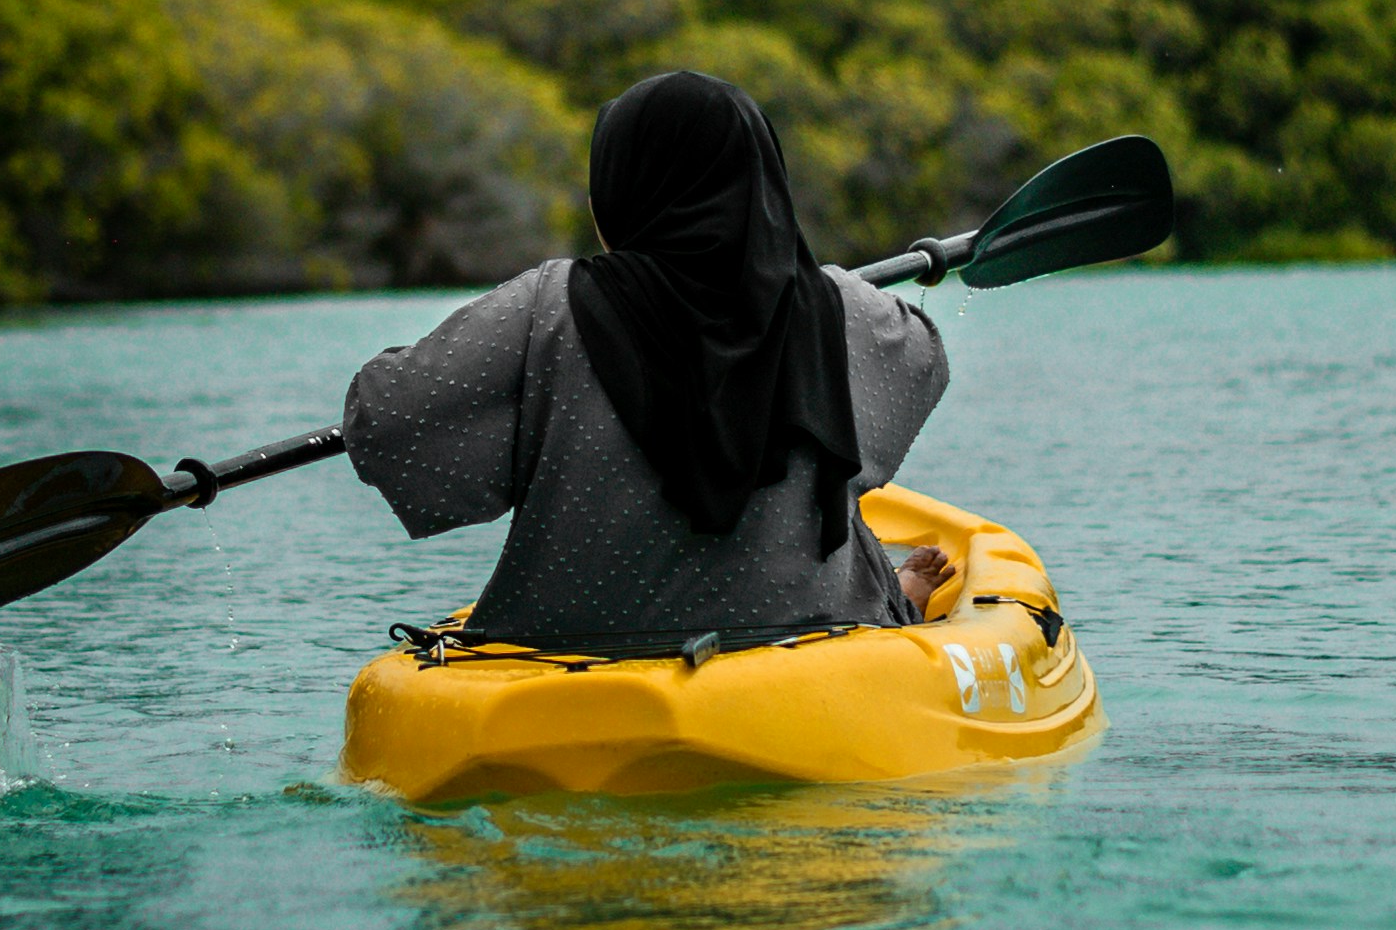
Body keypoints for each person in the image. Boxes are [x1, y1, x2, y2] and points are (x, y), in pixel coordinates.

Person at [342, 69, 956, 651]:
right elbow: (924, 359)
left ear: (622, 187)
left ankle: (893, 590)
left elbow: (389, 420)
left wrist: (527, 411)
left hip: (569, 642)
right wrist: (818, 293)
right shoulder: (844, 309)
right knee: (851, 530)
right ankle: (897, 595)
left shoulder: (547, 305)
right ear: (764, 181)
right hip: (805, 629)